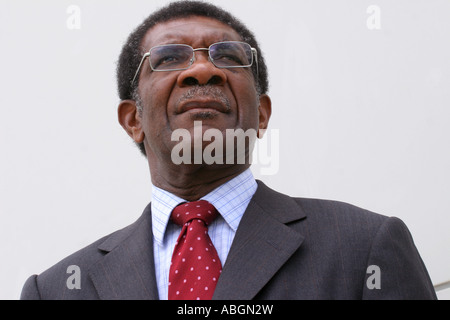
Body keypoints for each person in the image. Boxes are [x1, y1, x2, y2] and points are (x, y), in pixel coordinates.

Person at [20, 0, 437, 300]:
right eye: (168, 58)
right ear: (132, 120)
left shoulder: (365, 249)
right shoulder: (58, 290)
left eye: (229, 56)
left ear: (261, 116)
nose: (204, 69)